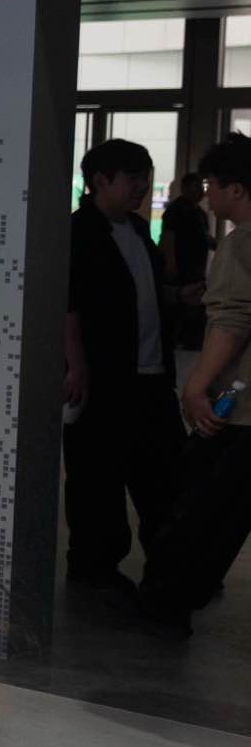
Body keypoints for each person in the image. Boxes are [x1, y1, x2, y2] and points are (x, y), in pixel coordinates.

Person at [130, 132, 251, 634]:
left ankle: (165, 605)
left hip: (238, 407)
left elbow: (234, 320)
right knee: (226, 514)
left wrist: (195, 386)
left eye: (213, 186)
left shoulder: (241, 241)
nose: (208, 197)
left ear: (237, 190)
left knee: (197, 508)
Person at [64, 138, 180, 593]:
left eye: (144, 179)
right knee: (97, 476)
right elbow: (66, 304)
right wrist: (76, 366)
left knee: (163, 474)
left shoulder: (137, 231)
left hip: (150, 377)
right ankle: (94, 567)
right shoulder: (79, 233)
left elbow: (145, 295)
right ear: (99, 182)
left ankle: (171, 561)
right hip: (104, 377)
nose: (141, 188)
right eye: (132, 179)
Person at [163, 169, 213, 354]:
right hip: (181, 265)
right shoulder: (177, 209)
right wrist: (170, 263)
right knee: (181, 304)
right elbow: (168, 236)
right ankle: (179, 338)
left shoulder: (198, 211)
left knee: (195, 301)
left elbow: (203, 236)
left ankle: (191, 340)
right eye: (197, 187)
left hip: (196, 266)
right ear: (186, 188)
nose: (201, 191)